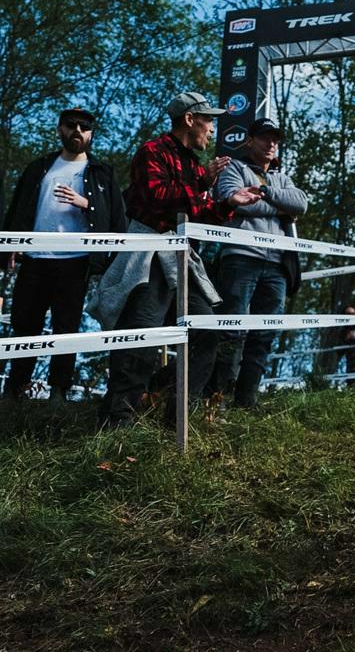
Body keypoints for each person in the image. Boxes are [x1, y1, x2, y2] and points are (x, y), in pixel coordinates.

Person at [93, 92, 263, 427]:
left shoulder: (193, 164)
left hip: (181, 256)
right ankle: (117, 421)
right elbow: (161, 198)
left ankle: (176, 411)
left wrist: (230, 202)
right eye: (209, 120)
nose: (212, 129)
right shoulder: (151, 151)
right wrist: (201, 184)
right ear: (190, 119)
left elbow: (196, 215)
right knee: (141, 335)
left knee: (206, 332)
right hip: (149, 254)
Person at [2, 107, 125, 400]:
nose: (78, 131)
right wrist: (11, 245)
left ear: (92, 133)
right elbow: (18, 208)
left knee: (65, 327)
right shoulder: (40, 167)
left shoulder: (101, 173)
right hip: (35, 258)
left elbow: (117, 219)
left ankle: (59, 391)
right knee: (24, 323)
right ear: (60, 129)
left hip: (75, 261)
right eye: (72, 125)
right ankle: (16, 389)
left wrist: (87, 203)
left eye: (85, 127)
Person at [212, 118, 308, 409]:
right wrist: (280, 208)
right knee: (232, 329)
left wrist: (264, 192)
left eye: (275, 139)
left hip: (278, 264)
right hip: (240, 257)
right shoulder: (233, 168)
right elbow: (234, 199)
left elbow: (301, 203)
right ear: (250, 140)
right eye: (265, 138)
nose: (271, 144)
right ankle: (217, 398)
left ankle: (246, 400)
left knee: (265, 331)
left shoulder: (281, 177)